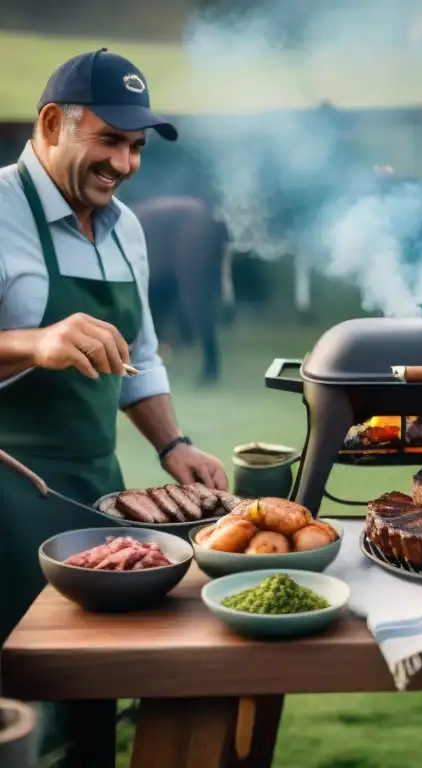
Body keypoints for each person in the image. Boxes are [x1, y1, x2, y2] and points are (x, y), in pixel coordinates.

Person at [0, 49, 228, 767]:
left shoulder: (127, 227)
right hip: (5, 497)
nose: (125, 164)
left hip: (92, 498)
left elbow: (142, 355)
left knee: (95, 697)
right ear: (51, 123)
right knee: (18, 703)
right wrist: (36, 341)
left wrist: (171, 445)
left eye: (135, 148)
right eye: (110, 141)